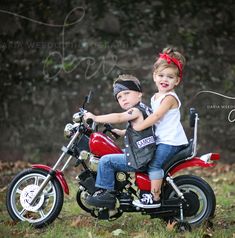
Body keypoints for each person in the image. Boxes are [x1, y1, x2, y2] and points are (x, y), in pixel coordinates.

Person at [84, 74, 156, 209]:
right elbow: (139, 130)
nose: (123, 99)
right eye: (119, 97)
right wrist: (121, 132)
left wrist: (95, 117)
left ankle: (107, 194)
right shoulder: (145, 109)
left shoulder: (135, 110)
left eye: (127, 93)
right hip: (143, 154)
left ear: (139, 94)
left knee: (106, 161)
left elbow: (118, 117)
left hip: (140, 157)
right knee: (115, 154)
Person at [132, 47, 189, 208]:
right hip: (161, 139)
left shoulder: (169, 98)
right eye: (161, 75)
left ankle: (154, 197)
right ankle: (146, 190)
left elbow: (156, 117)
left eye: (170, 77)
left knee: (154, 165)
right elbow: (151, 118)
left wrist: (140, 126)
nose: (165, 79)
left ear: (177, 81)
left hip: (171, 141)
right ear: (154, 77)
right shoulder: (155, 97)